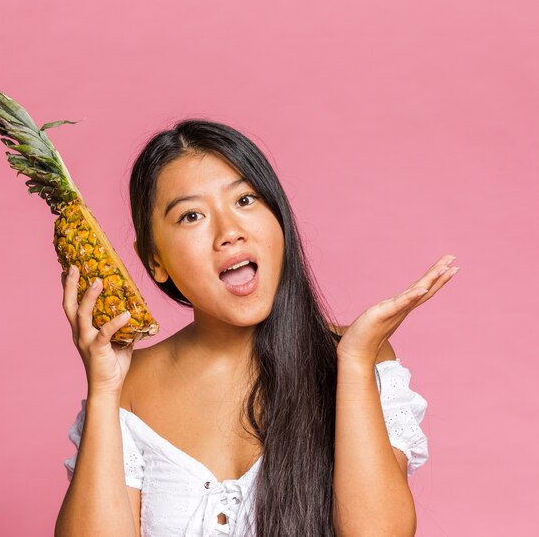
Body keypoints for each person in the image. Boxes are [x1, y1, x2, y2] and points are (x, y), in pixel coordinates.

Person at [55, 119, 458, 537]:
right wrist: (104, 392)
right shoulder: (125, 389)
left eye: (246, 199)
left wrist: (353, 363)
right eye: (191, 215)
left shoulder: (359, 362)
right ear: (154, 260)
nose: (229, 233)